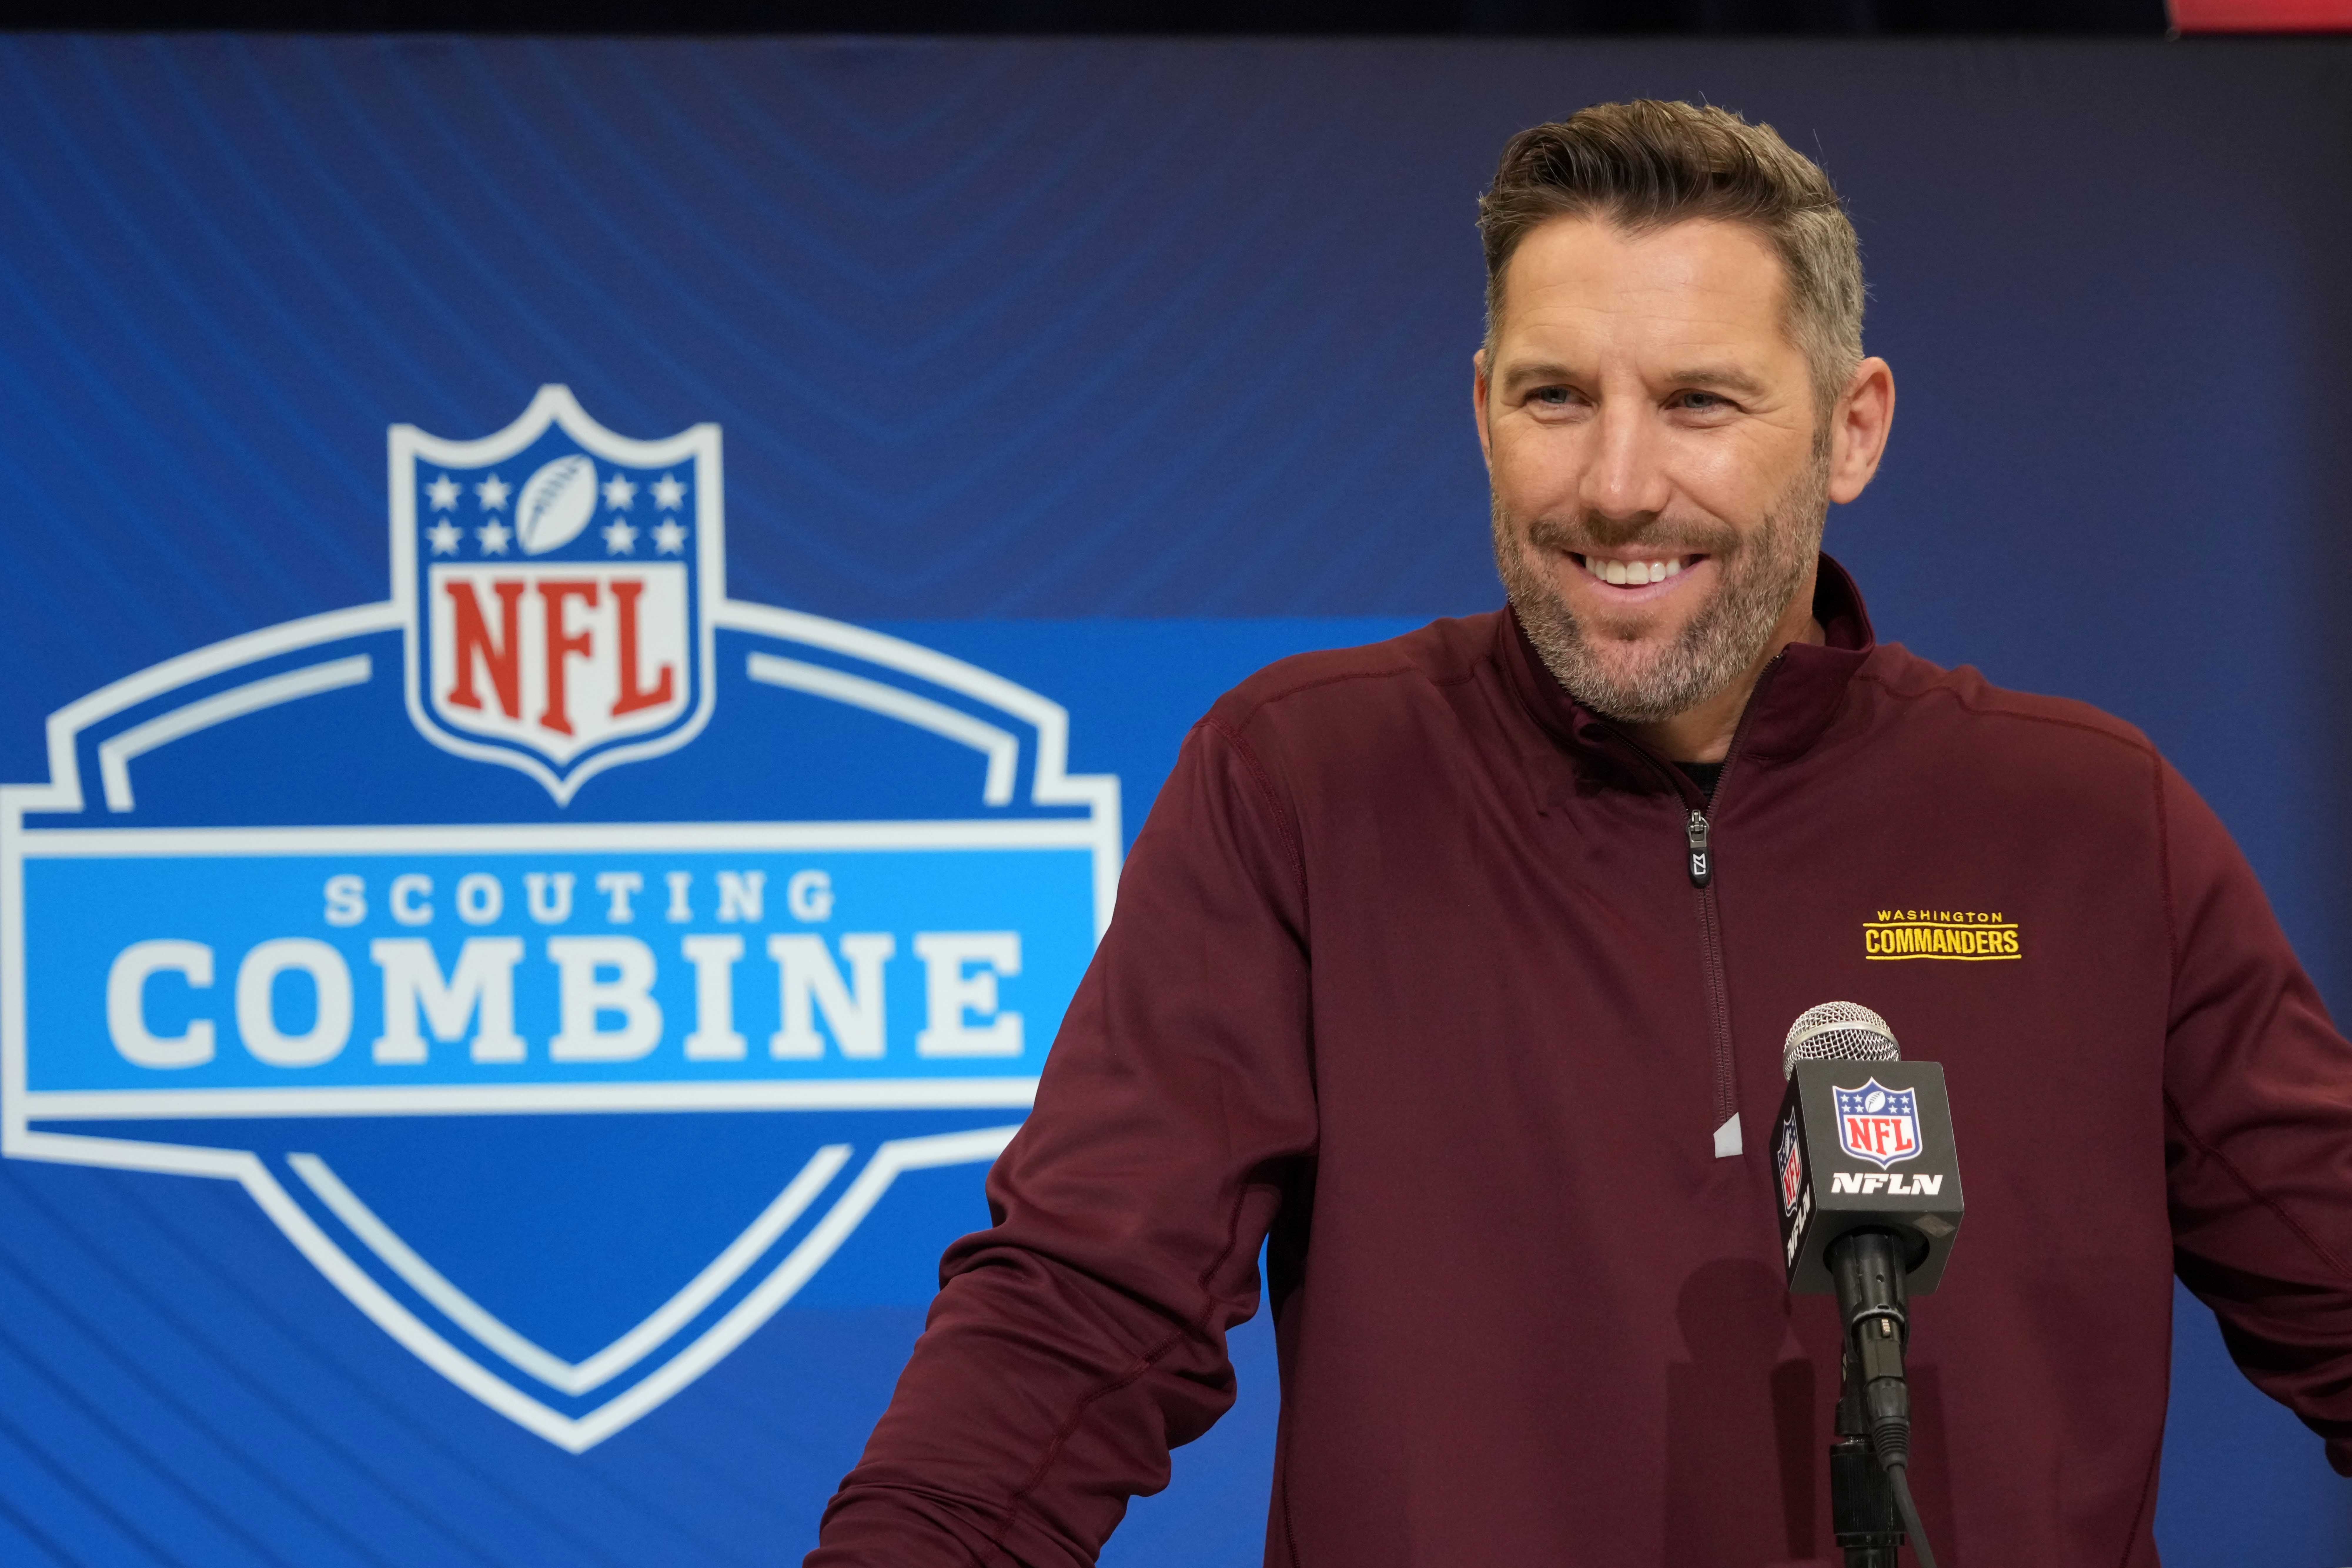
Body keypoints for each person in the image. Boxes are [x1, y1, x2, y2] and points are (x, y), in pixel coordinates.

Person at [808, 101, 2352, 1566]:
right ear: (1481, 408)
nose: (1616, 486)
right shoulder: (1304, 783)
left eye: (1696, 401)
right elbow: (1081, 1312)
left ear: (1848, 428)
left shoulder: (2084, 821)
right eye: (1556, 397)